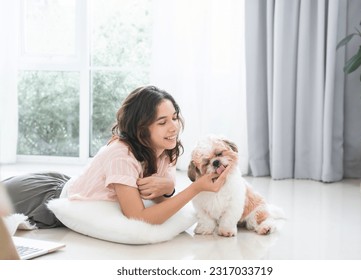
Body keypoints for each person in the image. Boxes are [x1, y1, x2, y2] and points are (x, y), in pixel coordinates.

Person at [2, 85, 236, 228]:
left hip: (65, 183)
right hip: (38, 196)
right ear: (140, 128)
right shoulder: (121, 155)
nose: (174, 127)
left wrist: (168, 186)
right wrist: (196, 188)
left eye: (174, 117)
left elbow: (161, 201)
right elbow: (140, 217)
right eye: (162, 122)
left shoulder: (166, 148)